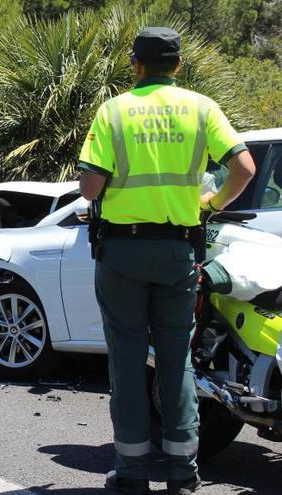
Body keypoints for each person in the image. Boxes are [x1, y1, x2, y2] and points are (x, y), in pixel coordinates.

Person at [78, 27, 255, 495]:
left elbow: (90, 188)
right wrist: (211, 204)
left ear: (135, 64)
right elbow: (244, 168)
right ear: (178, 65)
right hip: (179, 251)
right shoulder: (202, 108)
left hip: (121, 254)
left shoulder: (113, 111)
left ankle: (133, 472)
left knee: (128, 363)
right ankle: (182, 471)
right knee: (177, 363)